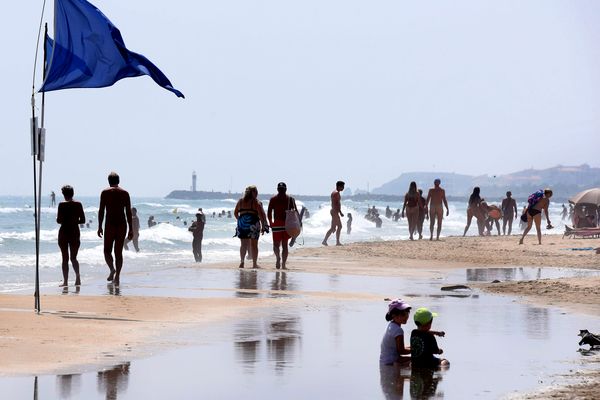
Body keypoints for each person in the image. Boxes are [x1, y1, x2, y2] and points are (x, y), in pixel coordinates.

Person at [97, 172, 133, 286]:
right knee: (118, 252)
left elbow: (101, 210)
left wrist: (99, 226)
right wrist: (131, 228)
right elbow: (128, 212)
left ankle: (112, 269)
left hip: (110, 224)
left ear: (109, 181)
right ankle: (117, 276)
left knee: (107, 250)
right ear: (119, 180)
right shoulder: (125, 193)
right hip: (122, 224)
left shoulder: (105, 193)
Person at [56, 185, 85, 286]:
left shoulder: (61, 205)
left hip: (64, 232)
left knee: (65, 258)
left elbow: (59, 220)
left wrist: (65, 220)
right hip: (74, 232)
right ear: (73, 193)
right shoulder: (78, 204)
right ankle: (78, 277)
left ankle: (65, 281)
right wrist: (73, 221)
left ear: (64, 194)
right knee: (73, 257)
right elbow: (83, 220)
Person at [234, 185, 268, 268]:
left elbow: (235, 213)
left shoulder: (240, 201)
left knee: (243, 244)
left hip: (242, 224)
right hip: (253, 224)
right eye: (256, 192)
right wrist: (264, 226)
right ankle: (254, 264)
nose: (257, 194)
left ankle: (242, 262)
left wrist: (240, 220)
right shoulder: (256, 202)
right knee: (254, 245)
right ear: (252, 192)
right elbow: (261, 215)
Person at [267, 182, 297, 270]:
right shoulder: (290, 199)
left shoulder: (273, 199)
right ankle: (283, 264)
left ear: (277, 189)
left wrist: (270, 222)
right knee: (285, 245)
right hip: (287, 224)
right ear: (286, 189)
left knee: (276, 245)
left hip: (276, 224)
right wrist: (298, 224)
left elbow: (269, 212)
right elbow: (296, 213)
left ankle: (278, 258)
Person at [380, 299, 412, 365]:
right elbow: (401, 351)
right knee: (417, 360)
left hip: (384, 361)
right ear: (393, 315)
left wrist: (412, 347)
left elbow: (399, 348)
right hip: (391, 363)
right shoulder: (398, 330)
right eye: (403, 314)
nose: (406, 316)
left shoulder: (391, 325)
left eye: (407, 313)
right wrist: (417, 351)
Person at [322, 181, 345, 246]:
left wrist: (338, 212)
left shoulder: (334, 192)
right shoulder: (336, 193)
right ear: (339, 186)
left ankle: (325, 241)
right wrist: (339, 212)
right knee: (339, 226)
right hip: (334, 211)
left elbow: (336, 203)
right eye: (342, 186)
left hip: (334, 211)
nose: (343, 188)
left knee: (333, 228)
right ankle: (337, 242)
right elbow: (336, 204)